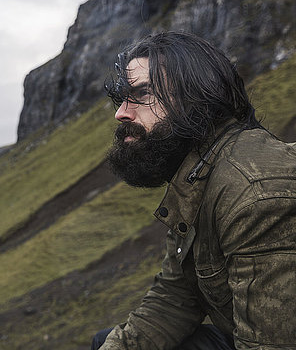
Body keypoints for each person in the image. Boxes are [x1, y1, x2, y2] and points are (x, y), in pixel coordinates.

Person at [93, 31, 296, 349]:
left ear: (196, 99)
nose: (121, 112)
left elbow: (272, 343)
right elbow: (176, 298)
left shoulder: (255, 196)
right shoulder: (195, 176)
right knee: (109, 342)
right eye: (122, 98)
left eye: (142, 94)